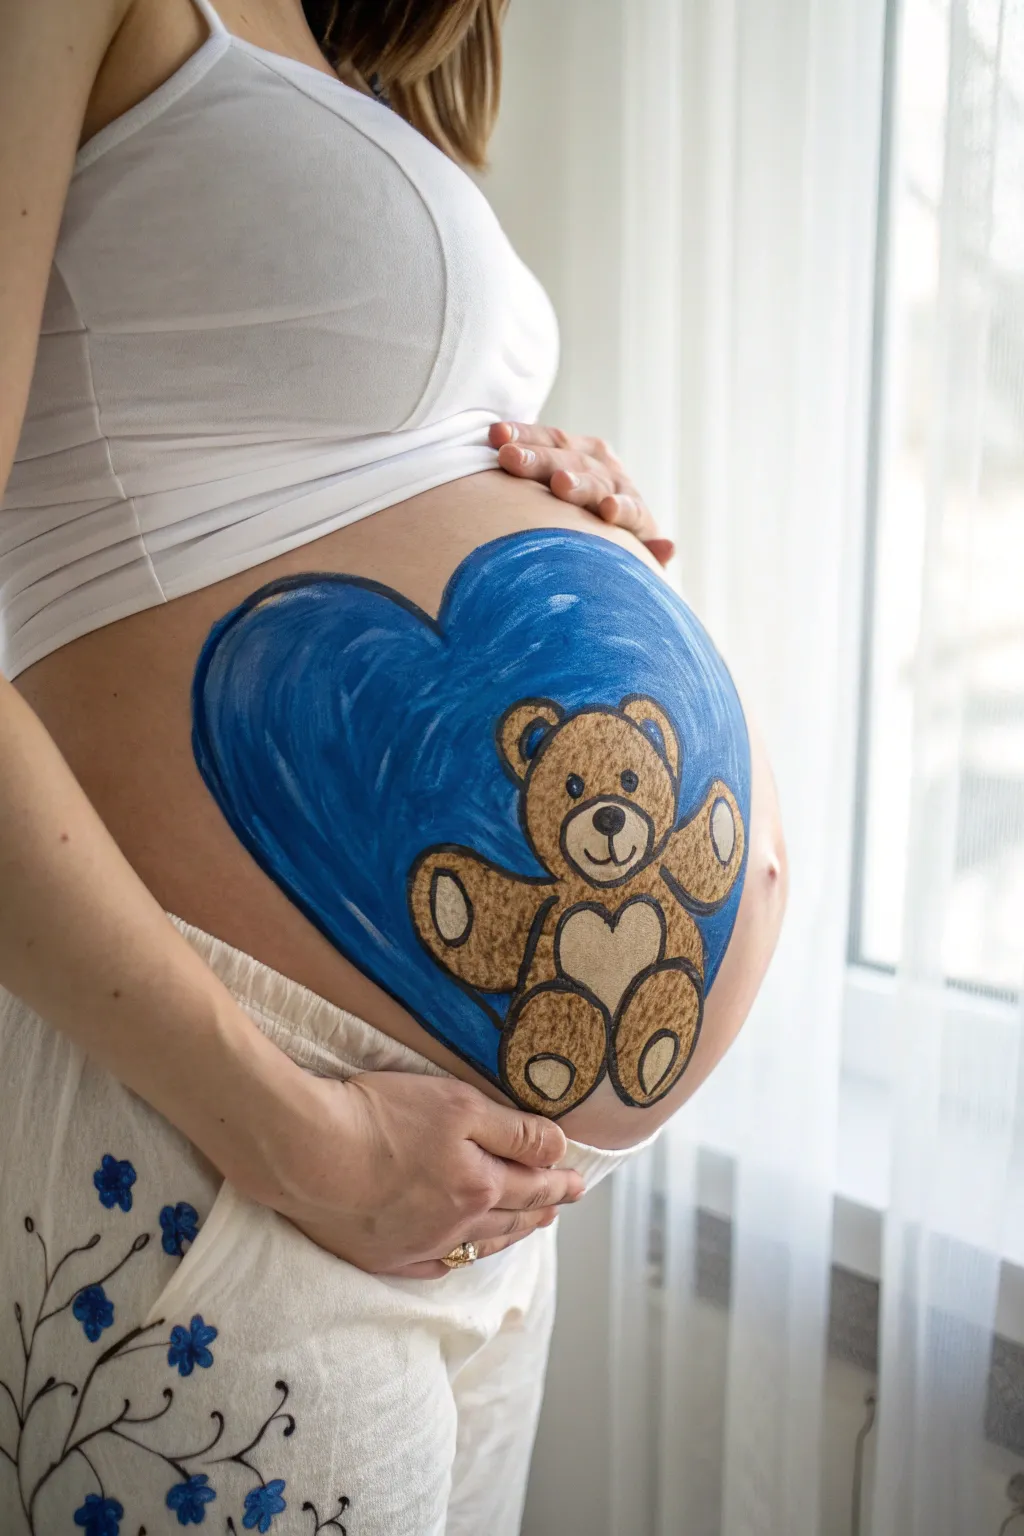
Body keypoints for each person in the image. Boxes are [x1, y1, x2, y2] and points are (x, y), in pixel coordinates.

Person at [0, 1, 788, 1531]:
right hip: (233, 1117)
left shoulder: (348, 56)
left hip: (477, 1190)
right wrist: (301, 1136)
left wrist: (538, 488)